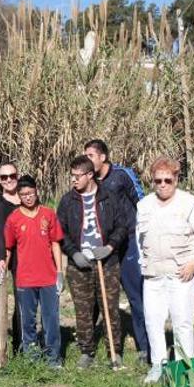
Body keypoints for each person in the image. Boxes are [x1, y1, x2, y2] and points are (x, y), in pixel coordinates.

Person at [135, 157, 194, 383]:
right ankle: (158, 364)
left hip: (182, 274)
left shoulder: (188, 204)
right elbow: (139, 239)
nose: (162, 184)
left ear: (176, 179)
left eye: (167, 180)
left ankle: (184, 365)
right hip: (153, 275)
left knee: (182, 321)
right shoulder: (144, 205)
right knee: (152, 319)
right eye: (157, 180)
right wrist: (144, 263)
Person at [57, 155, 129, 369]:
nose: (73, 180)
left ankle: (114, 352)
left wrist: (109, 247)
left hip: (107, 262)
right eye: (71, 176)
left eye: (77, 176)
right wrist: (73, 253)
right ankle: (87, 351)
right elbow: (61, 232)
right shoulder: (67, 201)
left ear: (90, 175)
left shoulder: (109, 197)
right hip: (79, 265)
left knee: (110, 307)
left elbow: (122, 226)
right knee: (83, 310)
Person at [84, 139, 147, 366]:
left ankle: (145, 347)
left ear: (102, 157)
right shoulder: (89, 182)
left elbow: (142, 201)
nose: (88, 160)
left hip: (129, 241)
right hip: (106, 246)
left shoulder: (121, 175)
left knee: (136, 296)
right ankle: (90, 348)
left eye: (91, 155)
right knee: (99, 299)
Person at [3, 175, 65, 367]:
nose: (27, 197)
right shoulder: (14, 219)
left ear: (37, 191)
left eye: (30, 193)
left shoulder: (48, 214)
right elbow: (8, 248)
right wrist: (3, 267)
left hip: (47, 278)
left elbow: (55, 243)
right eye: (23, 195)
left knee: (51, 320)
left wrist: (60, 273)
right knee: (27, 322)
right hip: (25, 280)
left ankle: (53, 358)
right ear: (19, 196)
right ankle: (31, 358)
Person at [0, 162, 23, 350]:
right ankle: (19, 343)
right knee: (21, 299)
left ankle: (35, 339)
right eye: (4, 177)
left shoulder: (27, 196)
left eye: (12, 175)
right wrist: (1, 258)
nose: (9, 180)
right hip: (17, 258)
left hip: (33, 253)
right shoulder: (1, 205)